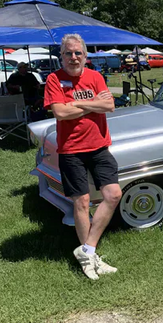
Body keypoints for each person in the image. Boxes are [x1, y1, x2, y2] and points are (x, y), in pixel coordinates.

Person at [44, 34, 122, 280]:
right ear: (61, 56)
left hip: (99, 146)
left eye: (78, 53)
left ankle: (87, 250)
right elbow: (59, 112)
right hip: (71, 150)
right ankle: (90, 259)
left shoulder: (96, 77)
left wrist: (75, 105)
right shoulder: (54, 79)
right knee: (82, 203)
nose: (73, 57)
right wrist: (92, 102)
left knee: (113, 194)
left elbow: (109, 106)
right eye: (68, 53)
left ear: (85, 56)